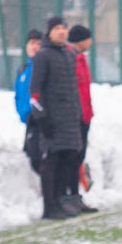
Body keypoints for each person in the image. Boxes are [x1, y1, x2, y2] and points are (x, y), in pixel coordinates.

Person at [29, 16, 83, 220]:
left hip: (69, 119)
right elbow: (35, 90)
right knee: (50, 161)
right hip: (52, 120)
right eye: (57, 28)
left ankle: (61, 201)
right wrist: (42, 118)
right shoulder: (43, 56)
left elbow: (73, 88)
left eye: (64, 28)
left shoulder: (69, 54)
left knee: (67, 160)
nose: (62, 32)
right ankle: (49, 206)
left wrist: (77, 113)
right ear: (50, 32)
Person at [64, 24, 98, 213]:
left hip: (84, 115)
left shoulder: (80, 58)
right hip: (76, 117)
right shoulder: (72, 58)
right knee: (72, 158)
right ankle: (70, 196)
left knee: (78, 157)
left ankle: (76, 196)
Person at [15, 29, 44, 173]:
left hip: (39, 119)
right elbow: (19, 95)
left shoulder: (43, 67)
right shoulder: (23, 69)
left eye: (39, 44)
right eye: (32, 43)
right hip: (28, 120)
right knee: (29, 155)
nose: (35, 47)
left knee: (38, 158)